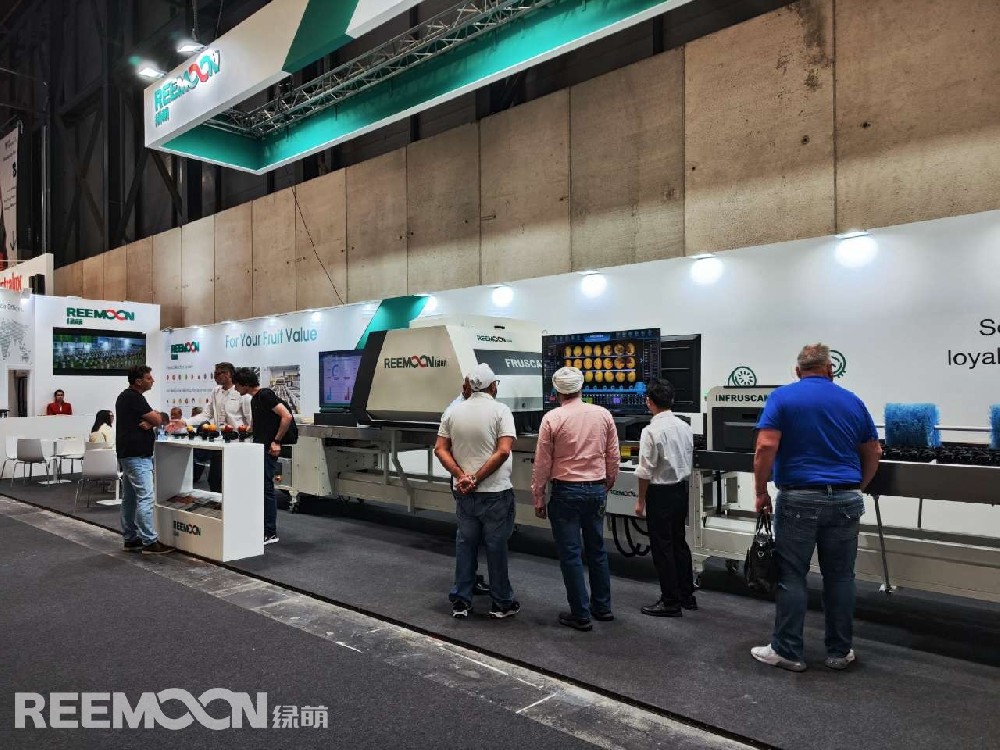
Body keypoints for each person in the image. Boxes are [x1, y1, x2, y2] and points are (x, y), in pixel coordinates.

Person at [751, 343, 881, 672]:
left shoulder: (782, 397)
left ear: (798, 371)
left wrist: (760, 491)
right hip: (846, 499)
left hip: (799, 498)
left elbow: (765, 446)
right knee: (840, 577)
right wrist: (858, 486)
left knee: (792, 576)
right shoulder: (853, 401)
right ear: (830, 370)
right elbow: (874, 451)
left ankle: (787, 651)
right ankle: (839, 652)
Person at [531, 366, 620, 631]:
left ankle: (580, 613)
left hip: (566, 492)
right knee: (597, 550)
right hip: (596, 489)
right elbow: (613, 455)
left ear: (557, 391)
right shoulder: (603, 415)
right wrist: (608, 481)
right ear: (582, 387)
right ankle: (602, 607)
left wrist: (538, 495)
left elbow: (542, 462)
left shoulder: (552, 419)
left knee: (571, 554)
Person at [434, 363, 519, 619]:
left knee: (465, 545)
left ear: (470, 386)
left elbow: (440, 448)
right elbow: (503, 451)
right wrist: (477, 478)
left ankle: (461, 600)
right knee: (496, 547)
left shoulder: (453, 412)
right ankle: (501, 603)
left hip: (464, 493)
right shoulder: (501, 411)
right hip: (495, 492)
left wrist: (461, 477)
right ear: (493, 387)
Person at [633, 379, 696, 616]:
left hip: (660, 493)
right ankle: (686, 595)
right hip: (680, 490)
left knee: (662, 548)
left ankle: (670, 602)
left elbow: (645, 470)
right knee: (679, 543)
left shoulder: (650, 431)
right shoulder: (684, 426)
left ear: (649, 402)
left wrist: (640, 501)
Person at [115, 366, 172, 555]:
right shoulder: (134, 398)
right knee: (145, 497)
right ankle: (149, 540)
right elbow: (159, 419)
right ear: (138, 381)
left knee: (130, 498)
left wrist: (154, 419)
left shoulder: (126, 397)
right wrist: (155, 419)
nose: (152, 380)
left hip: (129, 454)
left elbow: (157, 418)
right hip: (137, 455)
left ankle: (131, 538)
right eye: (148, 378)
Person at [233, 368, 292, 546]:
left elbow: (286, 416)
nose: (235, 388)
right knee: (260, 489)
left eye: (237, 385)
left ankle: (270, 532)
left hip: (268, 450)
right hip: (259, 449)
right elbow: (257, 425)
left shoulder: (265, 395)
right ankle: (262, 528)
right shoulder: (254, 399)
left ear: (244, 384)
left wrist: (276, 441)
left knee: (266, 490)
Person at [189, 362, 252, 491]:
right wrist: (185, 422)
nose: (214, 377)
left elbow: (251, 421)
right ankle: (218, 503)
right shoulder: (215, 391)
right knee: (214, 480)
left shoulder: (242, 393)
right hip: (220, 442)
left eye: (217, 374)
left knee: (235, 480)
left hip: (238, 444)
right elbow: (206, 414)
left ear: (228, 374)